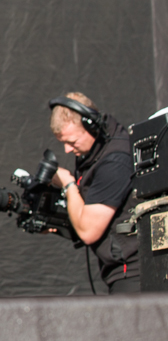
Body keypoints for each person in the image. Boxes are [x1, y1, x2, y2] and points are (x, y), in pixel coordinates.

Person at [48, 92, 140, 293]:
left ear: (92, 126)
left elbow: (89, 232)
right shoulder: (94, 151)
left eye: (72, 142)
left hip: (134, 274)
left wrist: (68, 184)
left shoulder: (114, 162)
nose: (67, 150)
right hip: (121, 271)